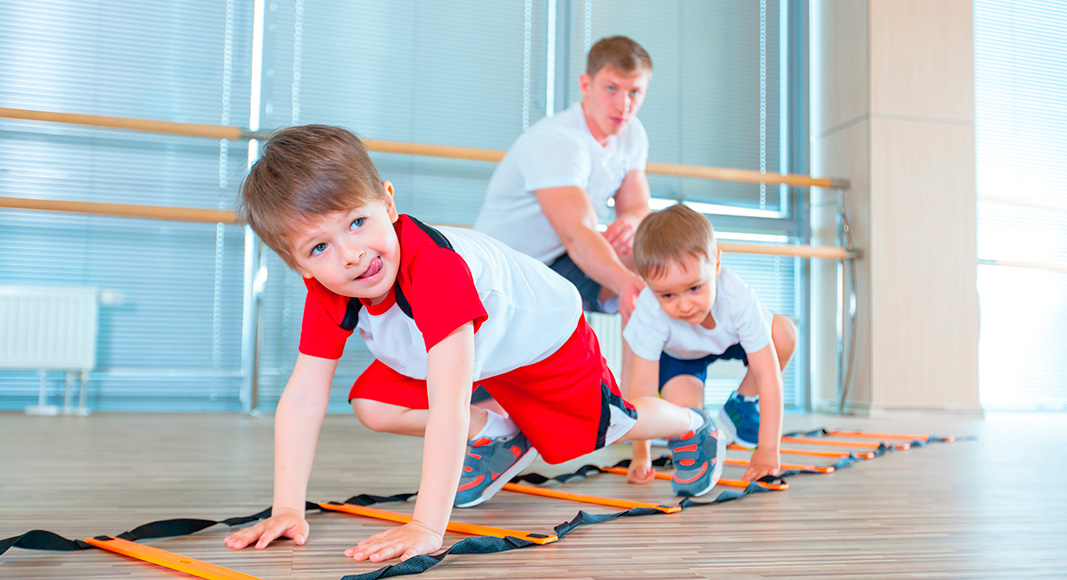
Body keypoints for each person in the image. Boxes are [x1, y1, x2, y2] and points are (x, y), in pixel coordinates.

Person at [223, 125, 725, 564]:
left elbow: (448, 405)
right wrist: (286, 506)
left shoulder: (435, 270)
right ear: (301, 267)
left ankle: (693, 424)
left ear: (388, 201)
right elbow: (306, 394)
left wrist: (426, 526)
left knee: (604, 430)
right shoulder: (330, 287)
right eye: (320, 247)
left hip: (539, 339)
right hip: (467, 349)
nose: (352, 255)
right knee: (373, 403)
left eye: (357, 222)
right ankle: (502, 436)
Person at [474, 35, 652, 323]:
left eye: (634, 92)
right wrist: (625, 283)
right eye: (611, 89)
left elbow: (637, 206)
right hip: (505, 272)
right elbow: (577, 233)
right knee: (635, 283)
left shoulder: (632, 133)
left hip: (559, 261)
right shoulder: (558, 139)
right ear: (586, 85)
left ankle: (640, 369)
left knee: (654, 254)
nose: (624, 105)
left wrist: (631, 224)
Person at [622, 204, 797, 485]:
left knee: (784, 334)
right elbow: (641, 388)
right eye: (667, 295)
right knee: (688, 416)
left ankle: (741, 404)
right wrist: (641, 455)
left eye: (694, 288)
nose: (685, 305)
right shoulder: (649, 310)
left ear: (716, 264)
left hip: (728, 340)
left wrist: (768, 450)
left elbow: (768, 374)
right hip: (678, 356)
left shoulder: (736, 296)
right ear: (649, 286)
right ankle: (701, 423)